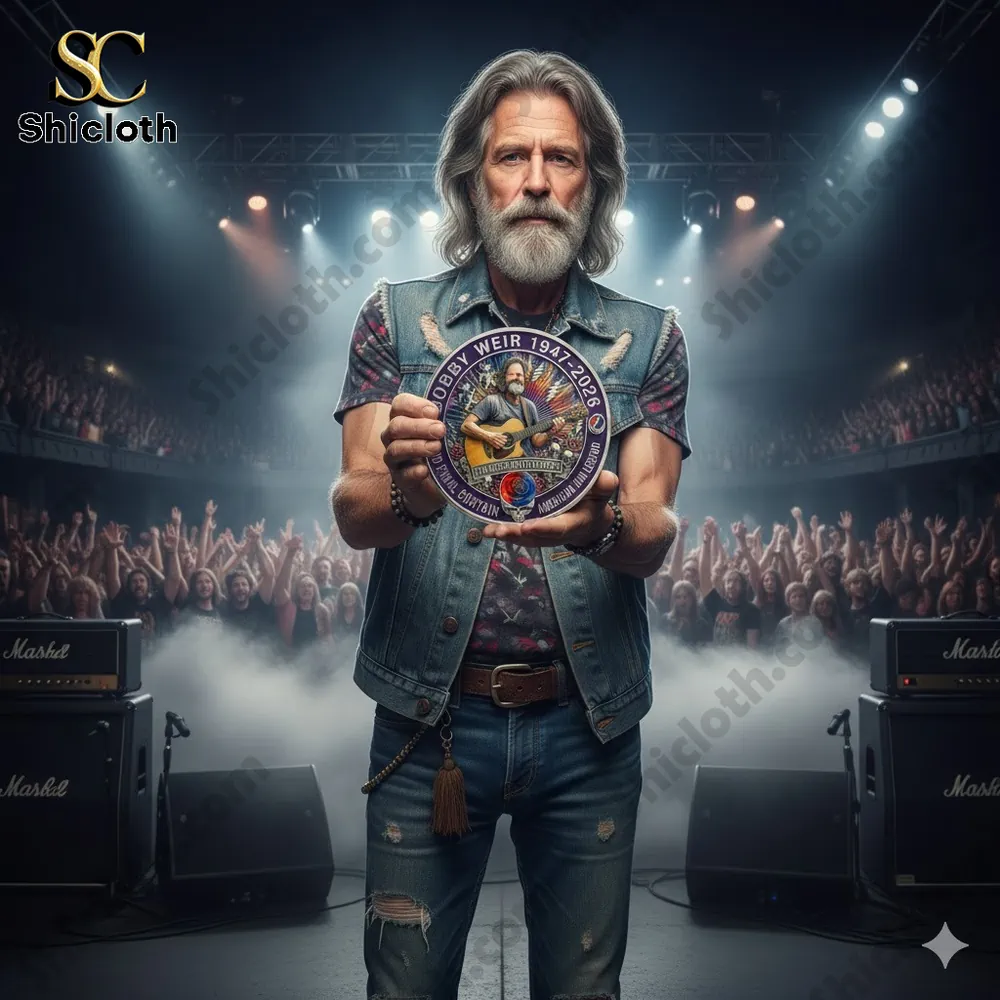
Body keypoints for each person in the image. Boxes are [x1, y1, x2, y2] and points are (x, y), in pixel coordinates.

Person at [331, 50, 688, 1000]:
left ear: (595, 183)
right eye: (512, 158)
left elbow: (655, 531)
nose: (536, 182)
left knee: (583, 994)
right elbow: (354, 513)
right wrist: (414, 488)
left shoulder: (647, 338)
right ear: (471, 179)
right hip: (428, 726)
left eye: (563, 160)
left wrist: (601, 523)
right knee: (402, 991)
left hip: (588, 729)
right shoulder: (396, 321)